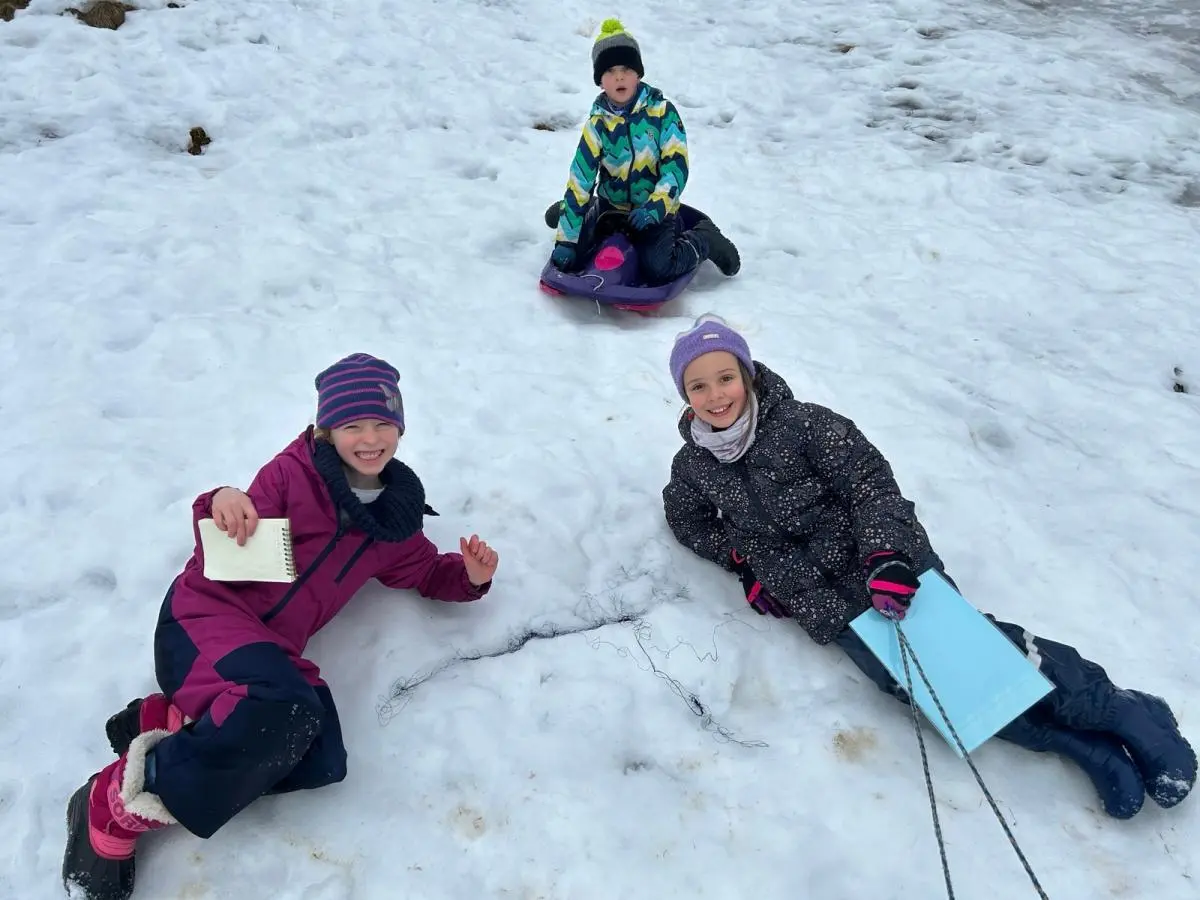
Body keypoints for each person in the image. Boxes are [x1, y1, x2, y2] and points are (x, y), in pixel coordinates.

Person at [660, 315, 1196, 819]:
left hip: (887, 572)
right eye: (698, 386)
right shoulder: (694, 465)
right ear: (685, 396)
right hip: (826, 605)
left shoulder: (805, 425)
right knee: (931, 694)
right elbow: (685, 517)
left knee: (977, 654)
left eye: (725, 378)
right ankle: (1080, 745)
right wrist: (743, 563)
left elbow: (869, 484)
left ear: (747, 376)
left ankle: (1116, 710)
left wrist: (886, 555)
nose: (715, 396)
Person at [62, 353, 500, 900]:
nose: (370, 438)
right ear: (327, 429)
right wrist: (221, 498)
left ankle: (177, 721)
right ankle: (114, 804)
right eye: (353, 425)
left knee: (320, 757)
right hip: (203, 621)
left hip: (266, 654)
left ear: (400, 428)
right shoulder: (293, 476)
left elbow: (427, 571)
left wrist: (472, 577)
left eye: (383, 423)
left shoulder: (393, 521)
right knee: (282, 706)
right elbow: (227, 519)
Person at [544, 18, 740, 284]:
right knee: (573, 257)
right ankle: (578, 212)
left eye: (626, 68)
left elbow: (675, 168)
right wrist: (567, 239)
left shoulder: (662, 114)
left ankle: (704, 238)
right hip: (611, 206)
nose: (619, 76)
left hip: (654, 211)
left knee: (659, 267)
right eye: (610, 71)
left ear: (638, 73)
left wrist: (655, 208)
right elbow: (581, 179)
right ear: (600, 81)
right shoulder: (598, 124)